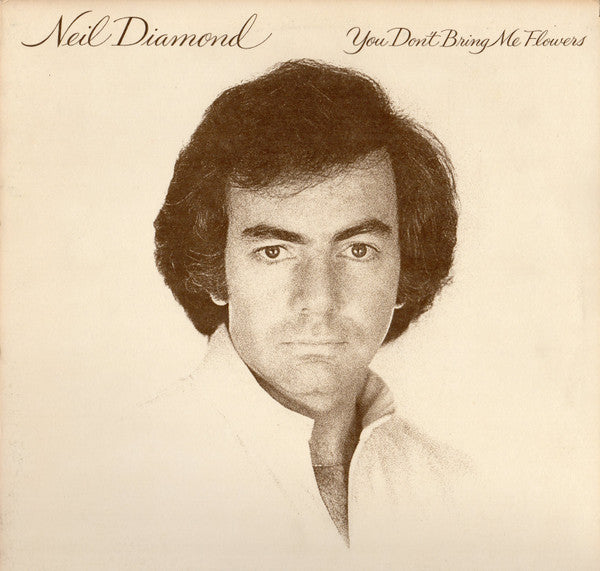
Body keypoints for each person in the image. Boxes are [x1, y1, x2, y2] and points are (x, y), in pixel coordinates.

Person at [141, 59, 467, 567]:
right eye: (274, 251)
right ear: (215, 272)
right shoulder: (129, 479)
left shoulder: (458, 492)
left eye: (357, 250)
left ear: (405, 272)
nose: (319, 298)